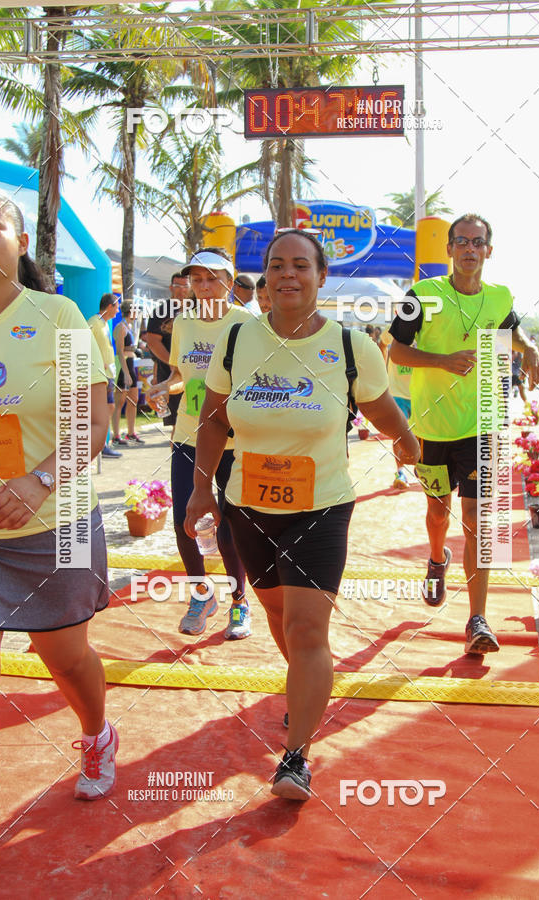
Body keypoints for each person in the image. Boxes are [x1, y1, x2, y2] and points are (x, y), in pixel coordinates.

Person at [184, 229, 420, 800]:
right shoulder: (237, 339)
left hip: (322, 507)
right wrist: (200, 490)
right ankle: (308, 685)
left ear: (321, 276)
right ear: (265, 277)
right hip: (248, 506)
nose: (287, 274)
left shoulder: (350, 347)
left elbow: (381, 407)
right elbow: (214, 420)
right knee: (278, 615)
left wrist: (408, 442)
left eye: (300, 265)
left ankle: (296, 758)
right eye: (277, 265)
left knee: (307, 628)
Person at [0, 193, 118, 799]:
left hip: (59, 524)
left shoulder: (58, 316)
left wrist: (38, 481)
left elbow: (92, 423)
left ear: (20, 244)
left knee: (64, 658)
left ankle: (96, 732)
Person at [389, 213, 539, 655]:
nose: (470, 249)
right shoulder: (421, 295)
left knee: (477, 519)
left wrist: (530, 347)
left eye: (478, 242)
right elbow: (396, 349)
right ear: (449, 249)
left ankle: (478, 619)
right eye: (462, 241)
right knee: (438, 512)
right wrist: (441, 361)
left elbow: (511, 328)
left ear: (489, 250)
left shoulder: (499, 296)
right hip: (433, 427)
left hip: (482, 425)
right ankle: (437, 557)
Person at [147, 248, 252, 640]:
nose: (204, 286)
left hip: (235, 440)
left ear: (229, 281)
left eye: (212, 278)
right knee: (184, 522)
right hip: (188, 436)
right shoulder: (184, 322)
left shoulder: (247, 323)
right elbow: (179, 374)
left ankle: (240, 602)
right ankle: (201, 595)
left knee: (230, 528)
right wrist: (164, 388)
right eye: (197, 279)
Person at [141, 271, 191, 430]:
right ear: (171, 287)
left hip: (195, 373)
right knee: (177, 423)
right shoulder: (161, 311)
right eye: (178, 286)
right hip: (171, 374)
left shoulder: (199, 309)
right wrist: (172, 361)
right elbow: (153, 341)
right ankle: (177, 446)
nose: (182, 290)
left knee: (196, 420)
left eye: (185, 286)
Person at [88, 292, 121, 458]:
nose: (118, 311)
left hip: (108, 373)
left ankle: (103, 443)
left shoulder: (105, 323)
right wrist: (97, 363)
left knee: (109, 407)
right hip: (99, 374)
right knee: (102, 409)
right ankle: (100, 445)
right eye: (117, 307)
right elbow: (84, 345)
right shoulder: (93, 322)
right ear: (109, 306)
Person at [379, 330, 413, 489]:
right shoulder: (393, 329)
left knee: (421, 435)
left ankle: (422, 466)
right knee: (399, 434)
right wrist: (382, 370)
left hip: (420, 393)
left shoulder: (427, 327)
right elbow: (382, 344)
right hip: (397, 393)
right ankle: (400, 472)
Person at [112, 300, 144, 445]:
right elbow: (119, 351)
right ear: (130, 311)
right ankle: (116, 435)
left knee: (133, 399)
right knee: (119, 401)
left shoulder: (129, 326)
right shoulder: (121, 327)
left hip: (131, 364)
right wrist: (125, 373)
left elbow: (128, 347)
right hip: (123, 366)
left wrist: (136, 349)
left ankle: (131, 433)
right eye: (136, 310)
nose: (137, 313)